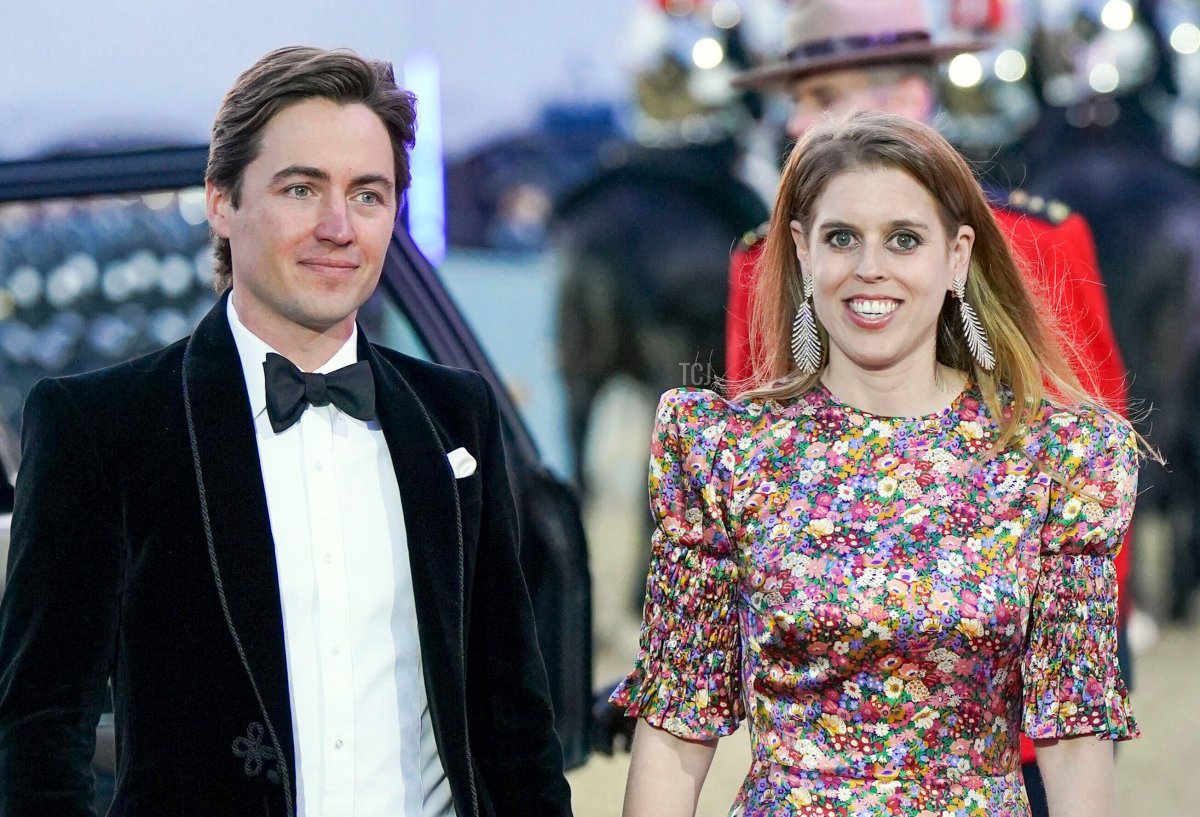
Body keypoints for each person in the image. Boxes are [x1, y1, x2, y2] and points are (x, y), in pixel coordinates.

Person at [0, 46, 572, 817]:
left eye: (367, 194)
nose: (338, 227)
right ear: (222, 202)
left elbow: (516, 723)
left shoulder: (456, 414)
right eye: (302, 188)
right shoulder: (103, 427)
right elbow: (39, 733)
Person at [613, 111, 1143, 816]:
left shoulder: (1051, 458)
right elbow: (677, 725)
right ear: (802, 252)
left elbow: (1072, 737)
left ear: (957, 256)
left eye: (903, 239)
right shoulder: (725, 450)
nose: (870, 268)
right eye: (842, 238)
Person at [720, 2, 1133, 808]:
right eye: (796, 101)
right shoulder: (764, 263)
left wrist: (1066, 661)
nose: (796, 122)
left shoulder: (1042, 241)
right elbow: (748, 482)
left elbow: (1090, 481)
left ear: (908, 96)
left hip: (1012, 709)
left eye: (821, 96)